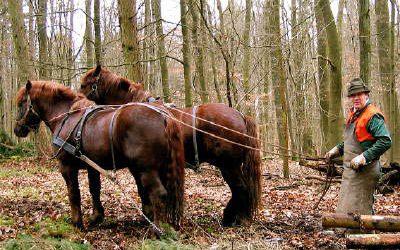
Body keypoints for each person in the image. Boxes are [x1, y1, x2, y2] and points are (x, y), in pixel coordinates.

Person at [325, 78, 391, 215]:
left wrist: (364, 157)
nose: (356, 98)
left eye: (359, 94)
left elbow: (385, 141)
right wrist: (337, 150)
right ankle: (345, 232)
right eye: (353, 95)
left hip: (365, 171)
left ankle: (364, 235)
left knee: (360, 209)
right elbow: (354, 140)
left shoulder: (373, 116)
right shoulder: (354, 115)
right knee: (346, 205)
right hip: (350, 171)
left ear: (366, 95)